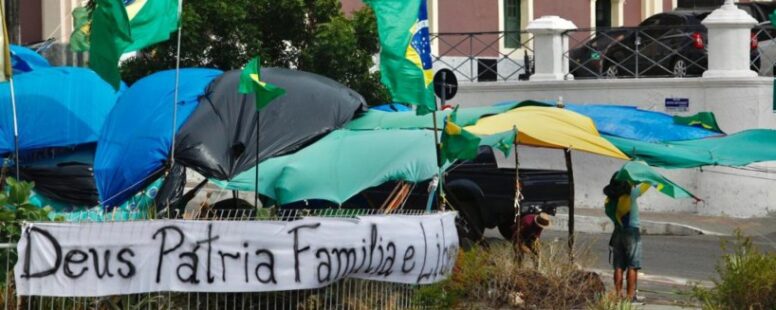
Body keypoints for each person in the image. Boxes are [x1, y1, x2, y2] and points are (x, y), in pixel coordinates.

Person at [603, 174, 650, 302]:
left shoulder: (611, 199)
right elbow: (647, 184)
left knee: (618, 265)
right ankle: (630, 297)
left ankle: (618, 295)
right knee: (632, 265)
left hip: (617, 231)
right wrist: (651, 177)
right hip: (631, 232)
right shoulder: (631, 195)